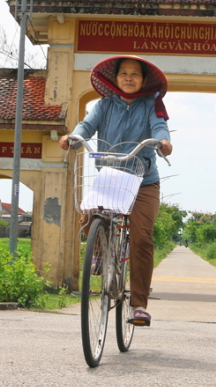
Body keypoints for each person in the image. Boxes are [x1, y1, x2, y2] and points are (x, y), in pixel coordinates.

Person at [59, 56, 173, 327]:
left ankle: (139, 304)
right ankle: (102, 251)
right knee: (88, 221)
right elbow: (86, 126)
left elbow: (159, 128)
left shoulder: (152, 105)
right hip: (110, 178)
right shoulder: (104, 104)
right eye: (124, 73)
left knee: (141, 239)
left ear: (143, 80)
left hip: (143, 182)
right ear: (116, 77)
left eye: (135, 74)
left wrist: (164, 142)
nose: (129, 78)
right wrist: (74, 138)